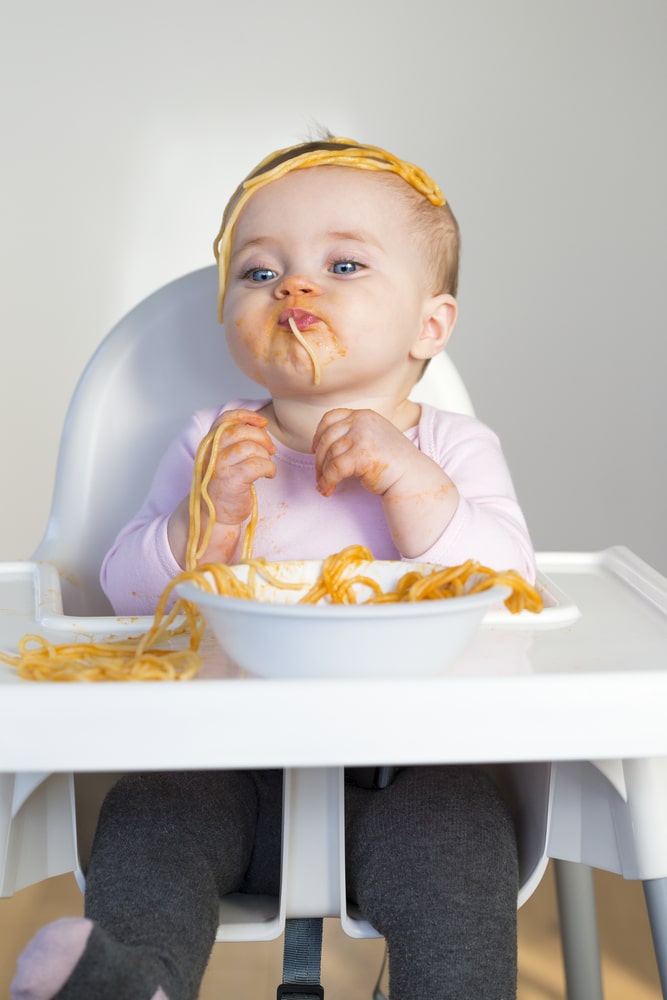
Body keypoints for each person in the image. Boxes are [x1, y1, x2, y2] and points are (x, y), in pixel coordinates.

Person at [12, 136, 534, 1000]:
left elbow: (511, 589)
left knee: (464, 839)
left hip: (408, 778)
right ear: (227, 317)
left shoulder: (453, 450)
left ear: (429, 325)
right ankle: (130, 980)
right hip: (223, 770)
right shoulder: (211, 446)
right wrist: (198, 524)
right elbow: (124, 594)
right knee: (146, 821)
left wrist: (416, 487)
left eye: (343, 264)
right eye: (259, 273)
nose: (294, 287)